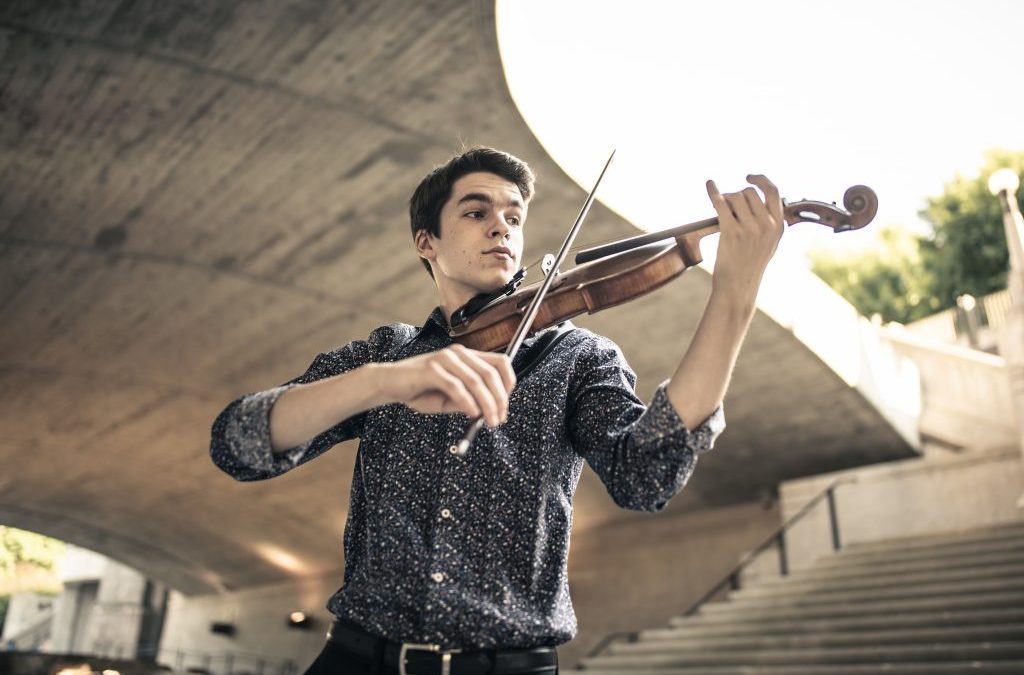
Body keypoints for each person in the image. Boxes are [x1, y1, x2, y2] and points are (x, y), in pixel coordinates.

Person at [210, 147, 784, 675]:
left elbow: (645, 475)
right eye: (476, 212)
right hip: (358, 657)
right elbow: (237, 445)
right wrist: (379, 383)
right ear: (425, 242)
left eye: (514, 216)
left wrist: (735, 295)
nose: (501, 228)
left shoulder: (578, 358)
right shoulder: (386, 354)